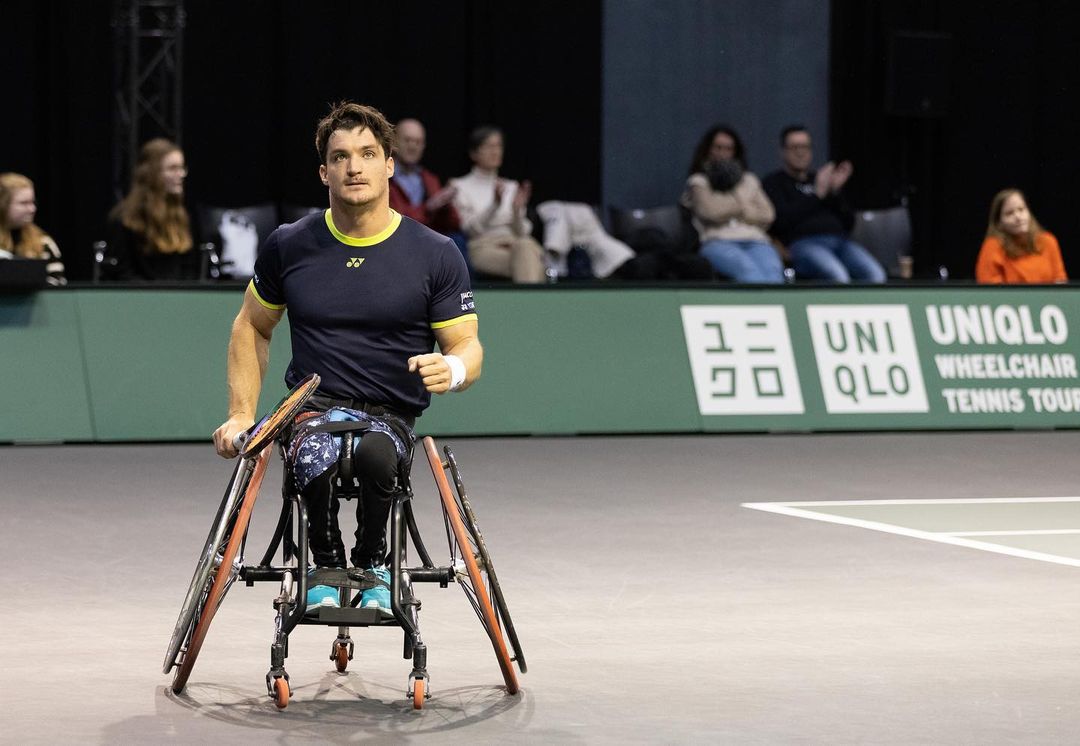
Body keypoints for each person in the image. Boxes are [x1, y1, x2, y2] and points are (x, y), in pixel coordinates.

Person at [212, 101, 481, 614]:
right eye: (340, 157)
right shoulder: (288, 245)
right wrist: (242, 413)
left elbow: (467, 345)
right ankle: (324, 565)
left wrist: (455, 368)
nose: (353, 167)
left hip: (390, 414)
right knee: (315, 455)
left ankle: (375, 565)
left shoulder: (435, 252)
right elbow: (251, 325)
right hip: (313, 410)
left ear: (389, 165)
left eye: (367, 153)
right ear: (323, 171)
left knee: (378, 456)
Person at [763, 125, 886, 283]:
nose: (800, 152)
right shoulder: (774, 183)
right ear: (783, 151)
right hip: (803, 245)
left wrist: (835, 193)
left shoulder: (820, 179)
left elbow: (849, 223)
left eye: (805, 147)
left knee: (876, 275)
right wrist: (817, 195)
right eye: (794, 147)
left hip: (840, 242)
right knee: (838, 276)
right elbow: (780, 222)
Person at [681, 125, 783, 283]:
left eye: (728, 148)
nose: (723, 153)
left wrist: (728, 208)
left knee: (773, 274)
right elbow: (711, 213)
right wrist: (744, 206)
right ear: (708, 150)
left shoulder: (749, 180)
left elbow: (768, 214)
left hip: (755, 240)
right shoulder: (699, 181)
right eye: (718, 147)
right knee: (749, 271)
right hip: (717, 242)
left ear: (735, 152)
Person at [449, 126, 546, 283]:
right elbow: (469, 230)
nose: (496, 151)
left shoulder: (512, 186)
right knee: (530, 258)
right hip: (483, 247)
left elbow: (523, 233)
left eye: (499, 146)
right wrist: (494, 205)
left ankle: (527, 306)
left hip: (516, 243)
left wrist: (516, 211)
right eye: (489, 146)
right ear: (474, 153)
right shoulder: (459, 186)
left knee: (524, 246)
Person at [106, 138, 200, 281]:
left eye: (182, 168)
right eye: (172, 168)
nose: (180, 174)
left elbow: (190, 267)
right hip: (140, 298)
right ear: (151, 173)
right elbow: (122, 273)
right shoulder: (124, 219)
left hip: (179, 297)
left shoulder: (183, 216)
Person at [389, 118, 470, 272]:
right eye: (407, 140)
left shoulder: (429, 179)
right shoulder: (384, 179)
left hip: (426, 240)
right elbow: (396, 221)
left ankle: (466, 294)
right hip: (398, 240)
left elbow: (453, 224)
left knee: (457, 240)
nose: (413, 146)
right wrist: (429, 207)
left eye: (418, 142)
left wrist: (445, 206)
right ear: (393, 141)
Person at [975, 188, 1066, 284]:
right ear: (999, 223)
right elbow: (991, 292)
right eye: (1009, 213)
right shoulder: (992, 246)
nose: (1018, 217)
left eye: (1021, 209)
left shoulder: (1048, 241)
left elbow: (1060, 280)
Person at [0, 172, 66, 285]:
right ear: (3, 204)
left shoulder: (43, 242)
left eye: (32, 202)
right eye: (23, 203)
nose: (32, 209)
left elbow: (58, 284)